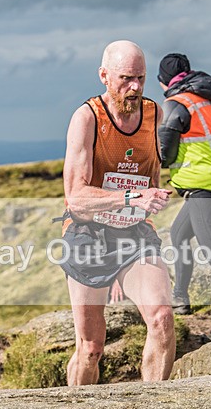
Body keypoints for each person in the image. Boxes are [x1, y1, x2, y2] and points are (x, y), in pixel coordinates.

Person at [60, 40, 176, 385]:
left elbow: (151, 179)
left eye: (140, 78)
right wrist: (131, 197)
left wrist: (150, 198)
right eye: (126, 78)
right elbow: (76, 198)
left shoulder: (155, 115)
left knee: (162, 320)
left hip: (134, 233)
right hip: (87, 234)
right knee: (92, 346)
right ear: (104, 76)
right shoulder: (87, 118)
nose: (135, 87)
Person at [158, 53, 211, 315]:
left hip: (204, 186)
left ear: (165, 81)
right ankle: (180, 298)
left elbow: (165, 152)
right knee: (179, 235)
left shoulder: (174, 103)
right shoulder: (204, 100)